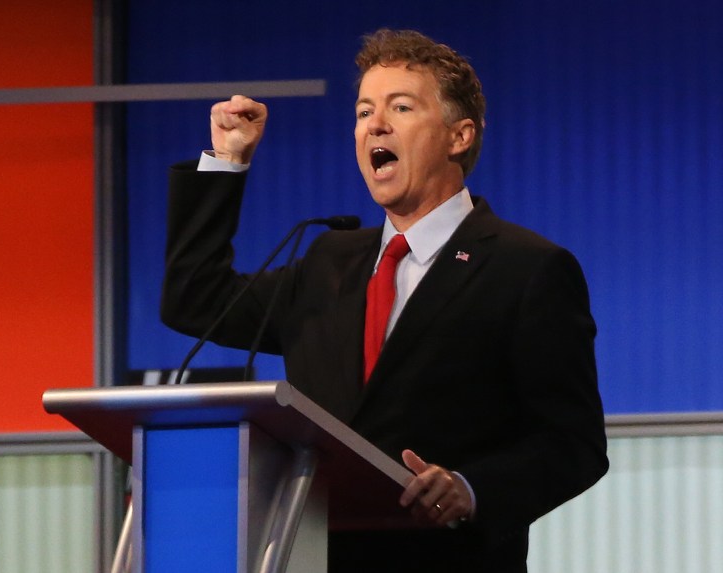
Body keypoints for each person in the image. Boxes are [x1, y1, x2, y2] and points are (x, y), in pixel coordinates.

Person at [161, 28, 608, 573]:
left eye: (401, 106)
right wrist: (227, 163)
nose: (375, 123)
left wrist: (472, 488)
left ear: (458, 136)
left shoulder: (527, 269)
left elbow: (573, 444)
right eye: (363, 110)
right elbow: (195, 300)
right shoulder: (329, 259)